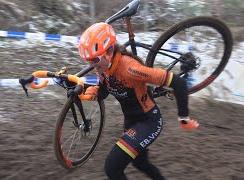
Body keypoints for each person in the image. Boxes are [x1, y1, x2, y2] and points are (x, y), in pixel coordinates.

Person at [78, 22, 199, 180]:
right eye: (89, 61)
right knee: (140, 163)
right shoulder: (105, 67)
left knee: (112, 168)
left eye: (94, 60)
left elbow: (179, 83)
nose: (91, 65)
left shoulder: (130, 69)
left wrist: (184, 118)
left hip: (148, 122)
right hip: (131, 122)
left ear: (108, 51)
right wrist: (91, 90)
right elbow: (105, 90)